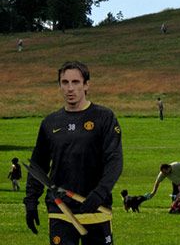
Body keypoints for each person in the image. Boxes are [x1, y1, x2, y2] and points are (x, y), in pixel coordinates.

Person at [24, 61, 123, 244]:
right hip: (60, 210)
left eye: (76, 82)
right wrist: (31, 201)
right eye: (65, 82)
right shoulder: (50, 122)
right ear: (60, 86)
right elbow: (38, 165)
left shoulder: (104, 117)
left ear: (86, 85)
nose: (70, 88)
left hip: (96, 210)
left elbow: (115, 160)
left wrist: (100, 193)